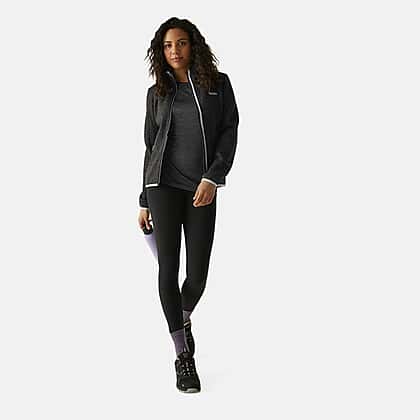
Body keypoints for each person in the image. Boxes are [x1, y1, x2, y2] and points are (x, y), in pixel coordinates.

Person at [137, 17, 239, 393]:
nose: (174, 50)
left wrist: (213, 177)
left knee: (197, 275)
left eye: (180, 43)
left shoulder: (218, 85)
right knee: (168, 268)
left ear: (193, 45)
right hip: (162, 188)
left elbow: (229, 131)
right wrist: (144, 199)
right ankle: (183, 356)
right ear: (160, 51)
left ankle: (182, 317)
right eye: (167, 45)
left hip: (201, 189)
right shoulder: (157, 92)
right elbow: (150, 146)